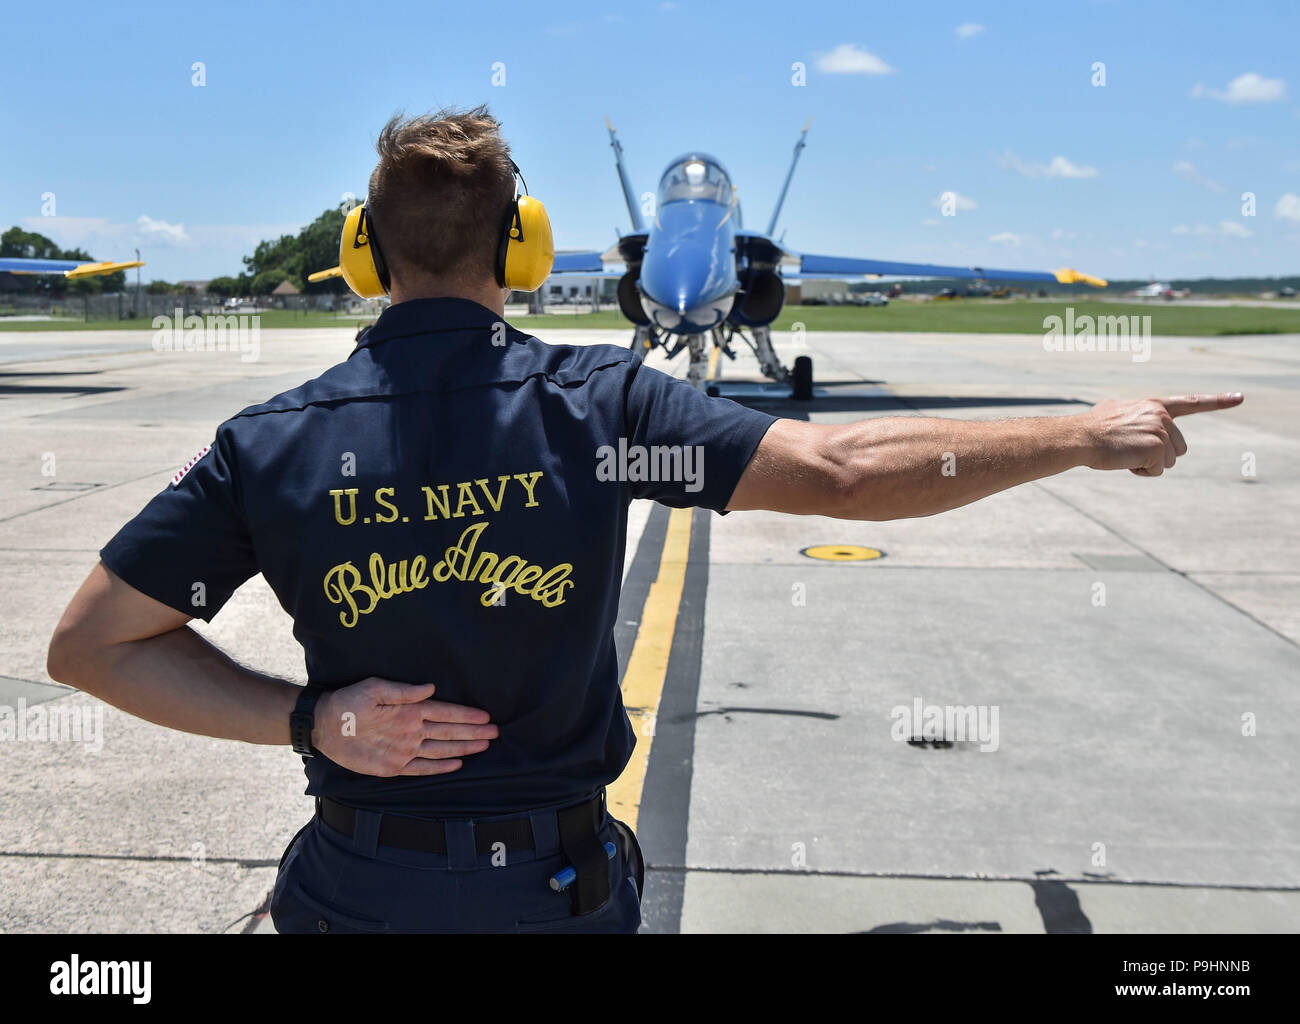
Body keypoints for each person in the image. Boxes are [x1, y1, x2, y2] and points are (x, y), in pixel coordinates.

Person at [46, 106, 1242, 934]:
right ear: (522, 245)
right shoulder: (602, 407)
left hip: (357, 889)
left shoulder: (270, 440)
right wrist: (1081, 432)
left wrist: (310, 718)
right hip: (551, 895)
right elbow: (840, 472)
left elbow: (90, 646)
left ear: (364, 254)